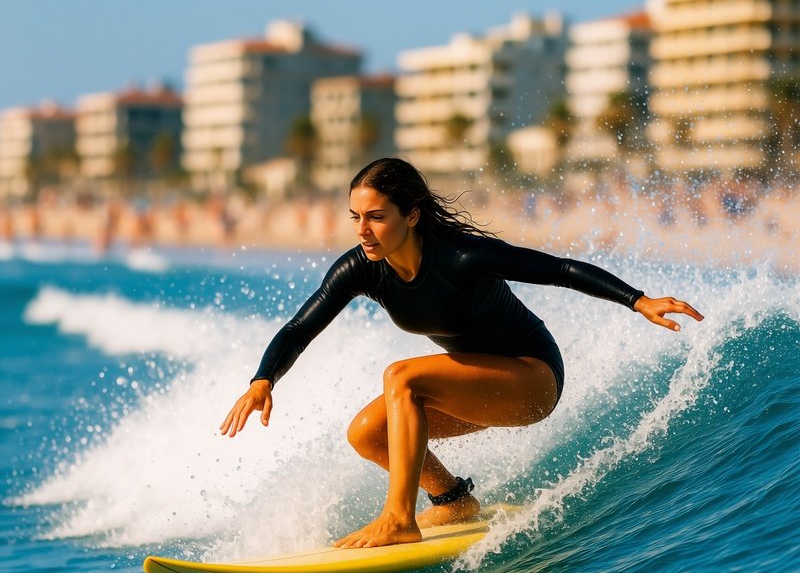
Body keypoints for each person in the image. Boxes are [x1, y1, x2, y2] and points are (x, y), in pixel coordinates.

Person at [220, 158, 703, 549]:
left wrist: (638, 300)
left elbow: (559, 269)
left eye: (376, 217)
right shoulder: (363, 268)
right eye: (356, 217)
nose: (362, 230)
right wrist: (263, 380)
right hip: (477, 388)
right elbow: (299, 327)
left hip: (532, 380)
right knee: (367, 432)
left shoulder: (461, 256)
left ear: (411, 216)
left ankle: (399, 520)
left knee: (402, 377)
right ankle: (452, 500)